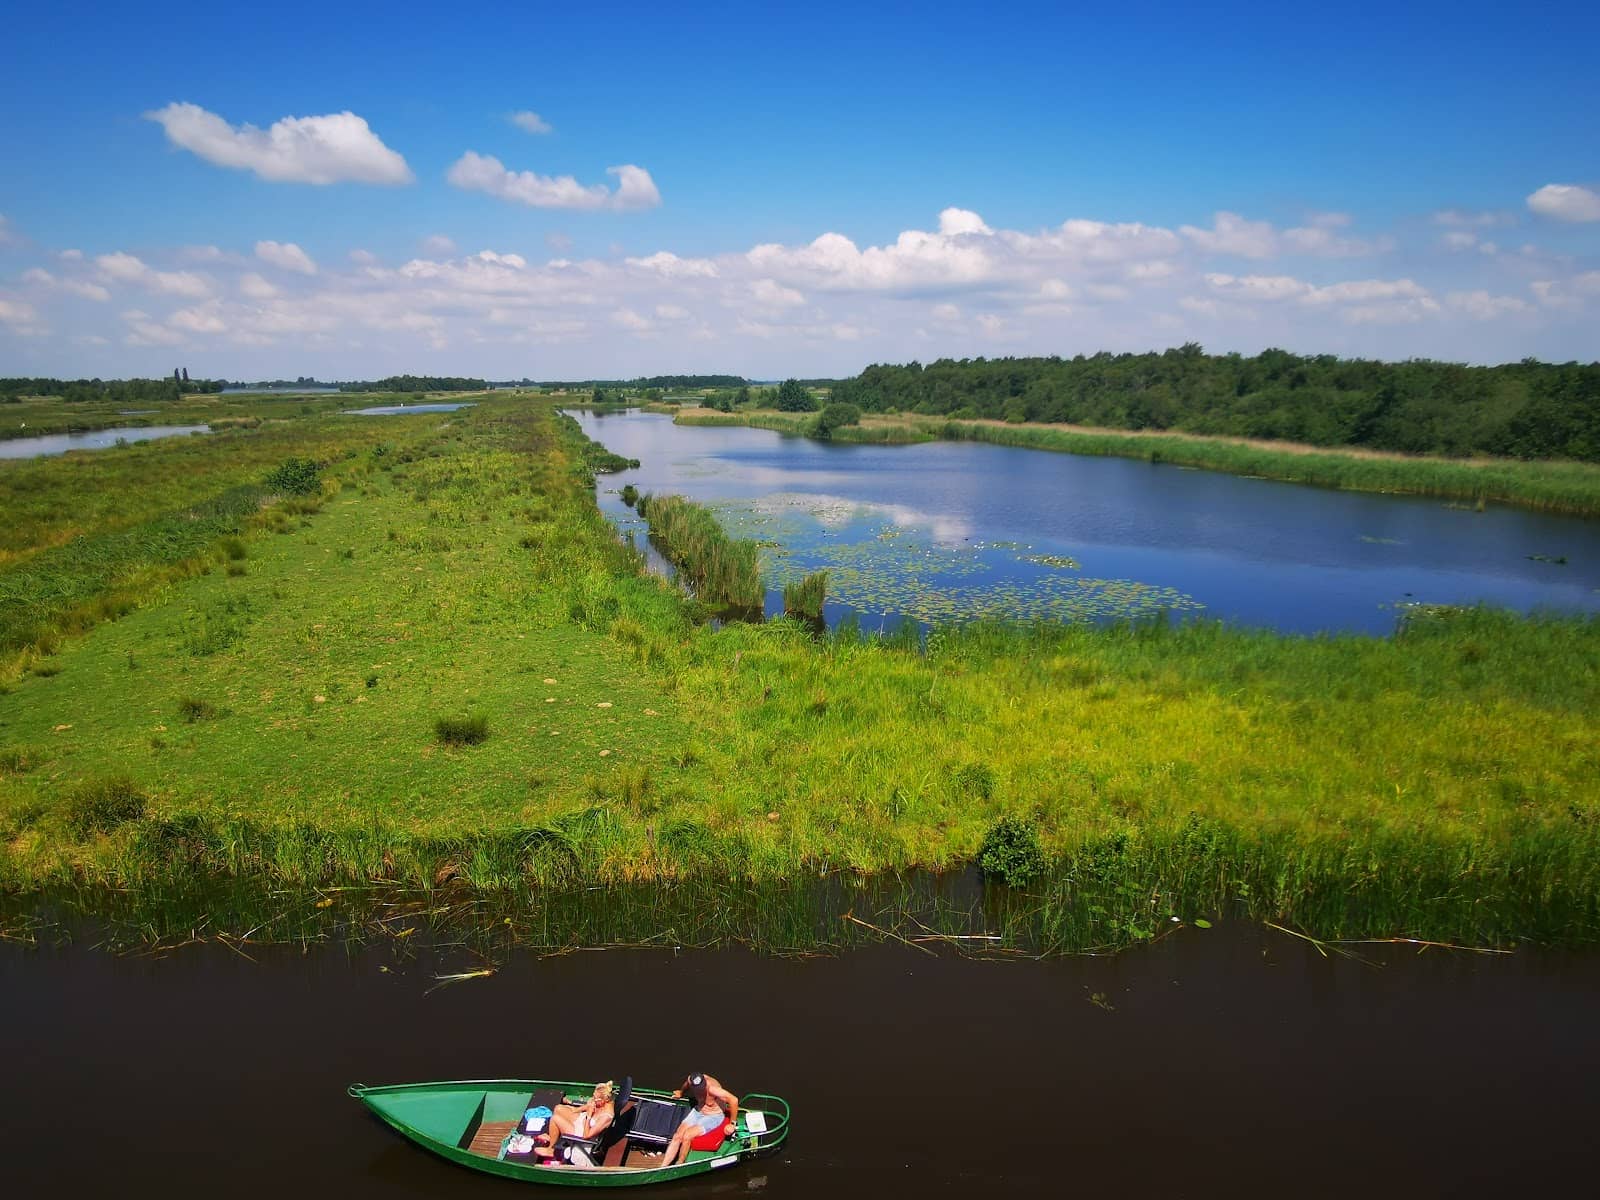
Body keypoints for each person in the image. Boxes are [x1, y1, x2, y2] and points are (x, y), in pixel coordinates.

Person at [660, 1072, 738, 1167]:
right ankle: (662, 1166)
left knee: (687, 1136)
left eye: (702, 1086)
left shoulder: (713, 1089)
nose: (701, 1089)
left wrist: (732, 1124)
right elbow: (687, 1084)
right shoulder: (690, 1080)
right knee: (677, 1136)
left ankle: (680, 1162)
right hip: (698, 1111)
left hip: (714, 1116)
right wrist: (681, 1092)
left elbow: (734, 1100)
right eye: (698, 1088)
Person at [536, 1081, 615, 1156]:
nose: (593, 1099)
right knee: (558, 1108)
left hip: (581, 1132)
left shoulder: (606, 1116)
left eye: (595, 1098)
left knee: (555, 1118)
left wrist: (589, 1116)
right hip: (582, 1119)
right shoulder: (602, 1101)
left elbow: (586, 1136)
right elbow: (589, 1106)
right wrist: (575, 1109)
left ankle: (551, 1150)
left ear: (604, 1100)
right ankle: (553, 1137)